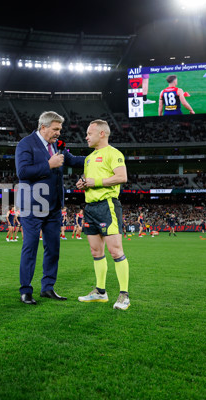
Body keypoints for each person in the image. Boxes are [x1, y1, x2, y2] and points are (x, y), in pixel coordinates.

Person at [15, 111, 85, 305]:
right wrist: (48, 164)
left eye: (60, 130)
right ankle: (26, 290)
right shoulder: (25, 144)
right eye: (55, 129)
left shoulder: (57, 145)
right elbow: (22, 172)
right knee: (30, 247)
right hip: (32, 206)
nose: (58, 133)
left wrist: (99, 157)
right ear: (43, 127)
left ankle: (48, 288)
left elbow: (73, 160)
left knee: (53, 249)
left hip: (54, 207)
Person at [76, 119, 131, 310]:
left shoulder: (113, 153)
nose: (86, 136)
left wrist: (95, 181)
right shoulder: (88, 158)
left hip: (107, 205)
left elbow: (121, 177)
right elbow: (89, 180)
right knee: (95, 252)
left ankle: (124, 295)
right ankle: (100, 292)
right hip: (90, 207)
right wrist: (82, 183)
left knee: (115, 251)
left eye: (89, 133)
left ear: (101, 134)